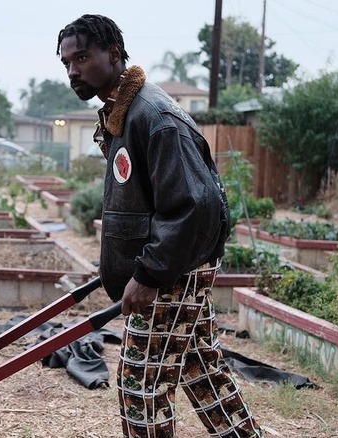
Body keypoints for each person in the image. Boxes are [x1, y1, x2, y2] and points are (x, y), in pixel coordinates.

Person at [57, 14, 263, 438]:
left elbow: (196, 205)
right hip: (173, 261)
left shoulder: (154, 117)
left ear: (113, 55)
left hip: (173, 266)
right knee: (201, 368)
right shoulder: (122, 113)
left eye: (81, 58)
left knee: (140, 387)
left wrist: (150, 273)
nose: (73, 70)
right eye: (66, 63)